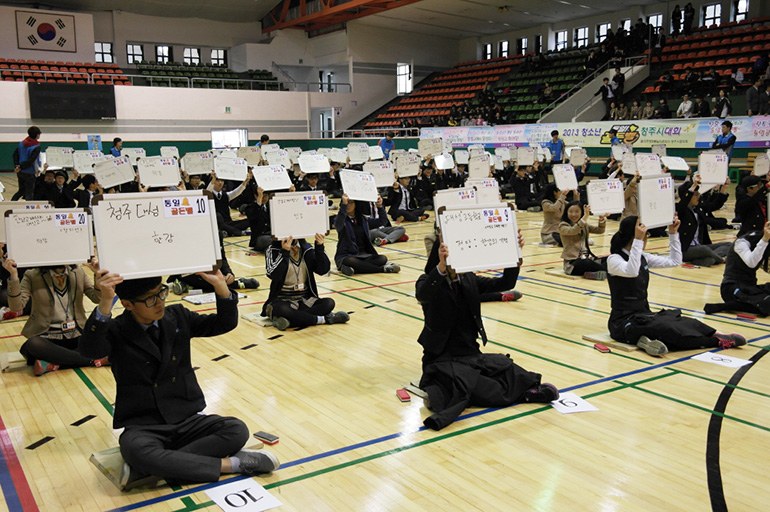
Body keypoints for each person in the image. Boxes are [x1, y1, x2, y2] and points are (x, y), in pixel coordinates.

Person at [78, 270, 279, 490]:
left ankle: (149, 469)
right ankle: (231, 464)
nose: (159, 302)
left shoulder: (178, 315)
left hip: (188, 419)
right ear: (127, 305)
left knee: (236, 429)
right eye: (150, 299)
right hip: (143, 425)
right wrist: (106, 301)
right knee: (135, 450)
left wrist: (220, 285)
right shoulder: (116, 330)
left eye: (161, 293)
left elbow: (224, 323)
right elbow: (90, 351)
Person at [415, 237, 559, 431]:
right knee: (470, 383)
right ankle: (525, 395)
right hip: (441, 359)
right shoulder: (428, 279)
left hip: (470, 353)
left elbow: (506, 282)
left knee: (506, 367)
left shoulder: (469, 279)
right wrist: (441, 266)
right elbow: (423, 294)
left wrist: (514, 254)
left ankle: (526, 389)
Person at [607, 215, 746, 355]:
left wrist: (673, 234)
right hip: (622, 323)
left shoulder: (642, 256)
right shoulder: (614, 259)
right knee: (669, 330)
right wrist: (638, 240)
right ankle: (716, 342)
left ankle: (718, 334)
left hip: (644, 316)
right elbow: (632, 271)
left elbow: (675, 261)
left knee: (680, 320)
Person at [3, 257, 107, 376]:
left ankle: (55, 364)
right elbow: (16, 307)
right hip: (47, 335)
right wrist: (13, 276)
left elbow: (97, 298)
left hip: (76, 333)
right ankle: (93, 360)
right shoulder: (32, 275)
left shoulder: (78, 272)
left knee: (107, 336)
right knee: (32, 344)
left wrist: (98, 276)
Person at [263, 234, 349, 331]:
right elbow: (273, 275)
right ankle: (323, 319)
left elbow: (323, 270)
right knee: (282, 310)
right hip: (282, 300)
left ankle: (290, 321)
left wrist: (319, 246)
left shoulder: (306, 248)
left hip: (304, 299)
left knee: (329, 303)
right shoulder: (272, 250)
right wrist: (284, 252)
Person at [705, 222, 770, 316]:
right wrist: (764, 240)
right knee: (766, 303)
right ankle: (726, 306)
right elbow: (751, 263)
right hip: (732, 288)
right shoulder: (741, 243)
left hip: (750, 287)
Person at [335, 194, 400, 275]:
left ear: (356, 204)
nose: (348, 205)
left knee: (383, 258)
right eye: (346, 203)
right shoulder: (341, 220)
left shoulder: (363, 220)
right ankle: (381, 269)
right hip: (347, 255)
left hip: (364, 254)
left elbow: (382, 221)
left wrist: (380, 207)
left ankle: (353, 269)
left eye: (350, 203)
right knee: (350, 261)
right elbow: (338, 224)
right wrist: (343, 206)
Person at [676, 175, 731, 266]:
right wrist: (693, 186)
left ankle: (708, 259)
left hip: (700, 245)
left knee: (729, 245)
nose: (698, 197)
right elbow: (683, 203)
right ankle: (720, 259)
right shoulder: (679, 209)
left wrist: (724, 188)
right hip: (685, 250)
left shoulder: (698, 208)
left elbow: (714, 205)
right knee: (704, 250)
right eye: (696, 194)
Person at [559, 202, 607, 279]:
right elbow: (574, 230)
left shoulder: (584, 225)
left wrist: (601, 219)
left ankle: (594, 273)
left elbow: (599, 230)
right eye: (570, 211)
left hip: (587, 258)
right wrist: (585, 216)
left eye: (577, 211)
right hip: (572, 264)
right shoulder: (563, 226)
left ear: (582, 212)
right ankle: (608, 272)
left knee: (609, 258)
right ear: (566, 212)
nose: (573, 214)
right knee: (586, 263)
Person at [12, 126, 42, 201]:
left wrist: (17, 166)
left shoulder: (21, 143)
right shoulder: (36, 147)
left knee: (21, 191)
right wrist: (21, 167)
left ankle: (12, 203)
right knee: (29, 192)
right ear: (37, 135)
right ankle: (29, 209)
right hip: (29, 172)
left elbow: (15, 155)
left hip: (20, 172)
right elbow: (31, 160)